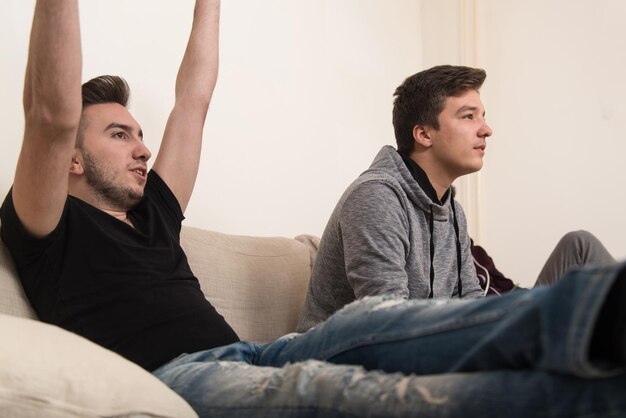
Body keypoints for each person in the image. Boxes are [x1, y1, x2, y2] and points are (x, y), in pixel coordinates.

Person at [2, 2, 626, 417]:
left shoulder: (156, 215)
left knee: (377, 324)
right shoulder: (47, 224)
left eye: (141, 134)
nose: (144, 148)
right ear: (72, 160)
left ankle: (603, 308)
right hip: (177, 379)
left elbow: (193, 98)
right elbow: (51, 115)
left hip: (254, 350)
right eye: (119, 135)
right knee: (339, 391)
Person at [297, 66, 615, 332]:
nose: (486, 129)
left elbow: (471, 303)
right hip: (350, 354)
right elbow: (386, 322)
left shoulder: (452, 212)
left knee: (581, 252)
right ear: (424, 134)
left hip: (422, 344)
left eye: (482, 116)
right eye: (468, 117)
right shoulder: (377, 196)